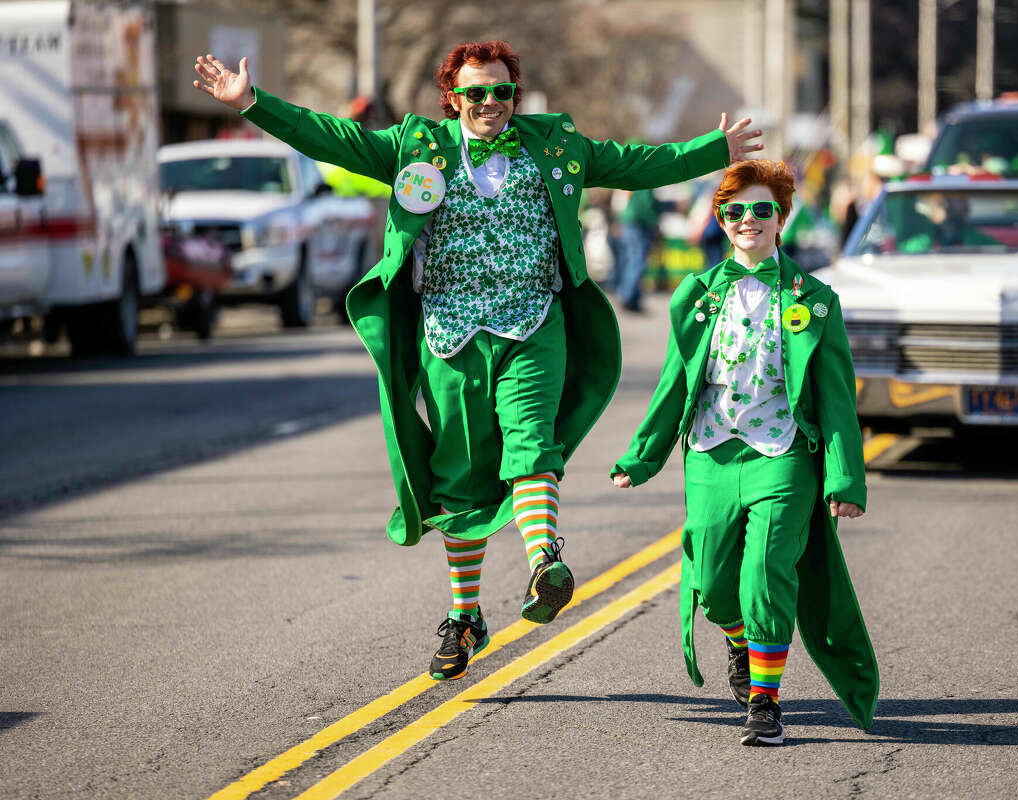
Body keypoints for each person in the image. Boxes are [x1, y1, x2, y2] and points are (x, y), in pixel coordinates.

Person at [192, 41, 762, 681]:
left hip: (532, 323)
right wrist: (251, 103)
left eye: (502, 92)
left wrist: (714, 153)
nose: (490, 103)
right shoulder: (417, 148)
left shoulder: (555, 145)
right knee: (458, 474)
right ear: (452, 97)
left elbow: (635, 163)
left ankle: (545, 559)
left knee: (530, 441)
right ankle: (466, 617)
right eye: (476, 92)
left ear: (516, 94)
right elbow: (332, 138)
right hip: (450, 332)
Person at [611, 160, 878, 746]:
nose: (748, 220)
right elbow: (675, 380)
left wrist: (845, 480)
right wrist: (642, 455)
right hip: (711, 451)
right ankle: (739, 640)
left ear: (782, 216)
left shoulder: (816, 299)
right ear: (721, 220)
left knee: (766, 570)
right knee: (712, 581)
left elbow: (835, 398)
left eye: (762, 209)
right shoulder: (697, 293)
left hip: (782, 455)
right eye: (735, 211)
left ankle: (765, 701)